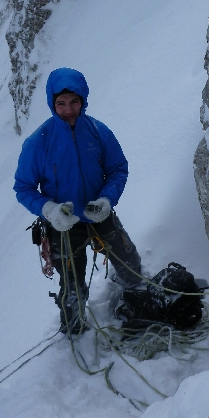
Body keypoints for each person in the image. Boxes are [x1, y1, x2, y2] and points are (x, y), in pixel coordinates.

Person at [14, 67, 142, 335]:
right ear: (52, 103)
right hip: (63, 224)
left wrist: (107, 200)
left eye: (74, 101)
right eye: (61, 103)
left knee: (128, 260)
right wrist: (49, 210)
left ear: (83, 99)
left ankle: (139, 301)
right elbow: (24, 187)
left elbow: (118, 168)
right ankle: (73, 332)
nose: (68, 109)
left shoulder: (97, 132)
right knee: (73, 286)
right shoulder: (38, 142)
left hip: (98, 212)